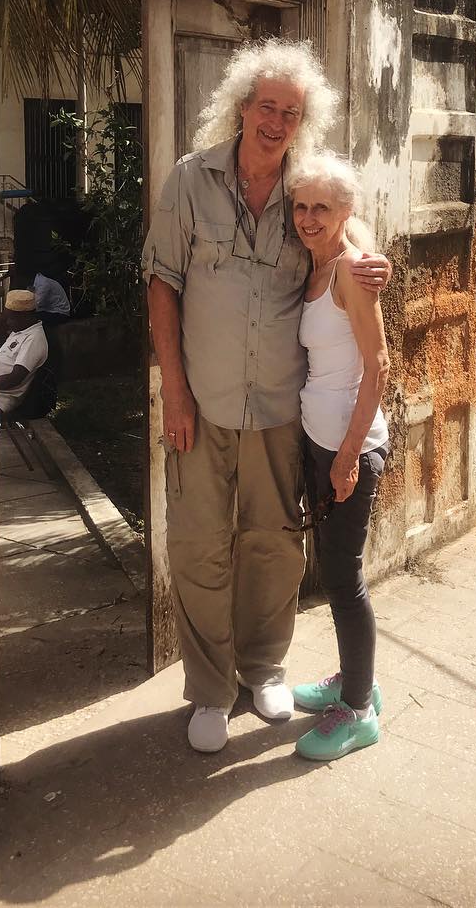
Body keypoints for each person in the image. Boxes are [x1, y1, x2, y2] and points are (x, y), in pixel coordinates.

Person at [142, 41, 390, 753]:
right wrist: (174, 391)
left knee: (274, 545)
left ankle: (265, 668)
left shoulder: (303, 189)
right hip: (204, 400)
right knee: (199, 545)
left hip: (282, 407)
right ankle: (212, 690)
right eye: (266, 106)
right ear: (241, 106)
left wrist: (376, 261)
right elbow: (162, 283)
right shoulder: (190, 181)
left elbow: (345, 239)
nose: (276, 121)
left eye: (291, 111)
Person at [287, 152, 389, 761]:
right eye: (300, 206)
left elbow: (378, 367)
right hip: (318, 441)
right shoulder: (317, 266)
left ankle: (358, 711)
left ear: (346, 211)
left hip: (349, 448)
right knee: (331, 572)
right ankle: (355, 682)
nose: (307, 216)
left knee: (345, 581)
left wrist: (348, 456)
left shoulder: (350, 270)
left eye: (321, 207)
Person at [0, 290, 49, 418]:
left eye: (11, 318)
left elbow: (15, 378)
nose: (7, 322)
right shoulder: (20, 329)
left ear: (26, 317)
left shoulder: (34, 338)